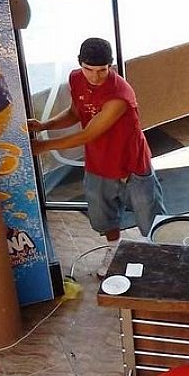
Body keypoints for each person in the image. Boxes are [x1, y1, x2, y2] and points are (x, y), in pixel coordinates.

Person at [29, 38, 164, 277]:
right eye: (88, 69)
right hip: (99, 162)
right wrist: (44, 125)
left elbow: (88, 134)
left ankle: (162, 257)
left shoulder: (119, 95)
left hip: (131, 164)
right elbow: (75, 113)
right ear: (79, 64)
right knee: (103, 215)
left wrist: (43, 146)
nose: (95, 76)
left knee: (150, 217)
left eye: (102, 70)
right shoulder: (75, 79)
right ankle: (114, 249)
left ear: (110, 66)